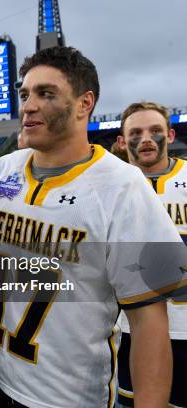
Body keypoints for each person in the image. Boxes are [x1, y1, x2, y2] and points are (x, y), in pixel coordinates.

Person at [0, 46, 182, 407]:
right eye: (25, 94)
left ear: (85, 103)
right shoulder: (4, 168)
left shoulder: (123, 187)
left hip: (66, 394)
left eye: (46, 93)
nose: (29, 105)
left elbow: (148, 322)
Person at [116, 101, 187, 408]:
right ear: (121, 141)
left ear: (170, 135)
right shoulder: (111, 189)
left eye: (155, 130)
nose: (146, 138)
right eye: (136, 132)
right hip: (129, 328)